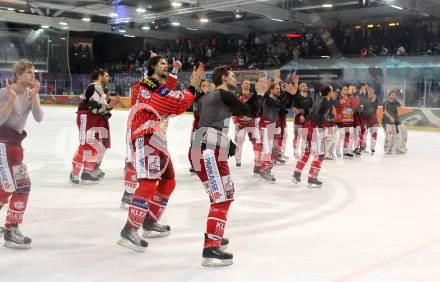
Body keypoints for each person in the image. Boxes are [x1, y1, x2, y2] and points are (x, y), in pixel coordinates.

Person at [117, 56, 203, 252]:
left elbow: (167, 91)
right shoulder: (147, 83)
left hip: (157, 137)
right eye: (162, 63)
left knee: (169, 181)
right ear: (152, 67)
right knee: (147, 184)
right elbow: (172, 101)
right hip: (145, 135)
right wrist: (191, 88)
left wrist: (174, 73)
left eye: (166, 63)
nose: (165, 66)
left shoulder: (153, 85)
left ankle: (149, 220)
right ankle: (129, 230)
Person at [189, 66, 265, 266]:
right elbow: (250, 112)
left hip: (206, 149)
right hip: (210, 151)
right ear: (224, 77)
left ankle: (214, 235)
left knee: (223, 195)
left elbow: (207, 123)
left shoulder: (210, 96)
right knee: (221, 198)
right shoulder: (224, 94)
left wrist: (226, 141)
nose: (235, 79)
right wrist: (261, 94)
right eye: (232, 76)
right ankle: (211, 249)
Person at [0, 60, 43, 248]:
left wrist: (34, 97)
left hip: (15, 144)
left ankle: (11, 228)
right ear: (18, 75)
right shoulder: (4, 92)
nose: (33, 75)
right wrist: (11, 99)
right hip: (4, 144)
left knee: (5, 188)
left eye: (33, 72)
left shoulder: (30, 93)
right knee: (22, 186)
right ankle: (11, 229)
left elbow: (39, 118)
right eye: (28, 72)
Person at [69, 69, 114, 185]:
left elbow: (99, 109)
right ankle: (75, 173)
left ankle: (86, 172)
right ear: (100, 76)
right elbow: (94, 108)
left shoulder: (99, 89)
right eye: (106, 76)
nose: (108, 78)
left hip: (91, 118)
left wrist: (106, 107)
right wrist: (106, 108)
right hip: (86, 117)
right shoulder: (96, 87)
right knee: (86, 145)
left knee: (92, 146)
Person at [292, 85, 335, 188]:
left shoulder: (317, 99)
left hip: (308, 127)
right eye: (332, 91)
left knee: (306, 152)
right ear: (329, 92)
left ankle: (296, 174)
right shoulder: (326, 102)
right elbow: (320, 117)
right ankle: (312, 179)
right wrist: (321, 131)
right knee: (319, 155)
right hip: (316, 129)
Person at [258, 81, 297, 182]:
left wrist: (291, 95)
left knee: (273, 151)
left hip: (274, 127)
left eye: (279, 88)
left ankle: (267, 169)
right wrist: (289, 93)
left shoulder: (276, 99)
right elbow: (281, 105)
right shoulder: (268, 100)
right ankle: (263, 170)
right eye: (276, 88)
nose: (279, 90)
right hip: (266, 127)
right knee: (267, 150)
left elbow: (286, 105)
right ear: (271, 90)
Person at [232, 80, 261, 169]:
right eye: (245, 83)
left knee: (255, 141)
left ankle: (257, 158)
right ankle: (238, 160)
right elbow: (234, 111)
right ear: (241, 85)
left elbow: (257, 110)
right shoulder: (237, 97)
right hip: (240, 124)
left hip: (251, 124)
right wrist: (236, 122)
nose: (247, 84)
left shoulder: (253, 97)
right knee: (239, 142)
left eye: (249, 83)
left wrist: (257, 122)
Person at [189, 79, 210, 174]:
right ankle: (194, 164)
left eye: (206, 85)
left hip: (209, 126)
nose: (205, 87)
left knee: (206, 146)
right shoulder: (197, 97)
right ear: (200, 87)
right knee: (195, 145)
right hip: (198, 125)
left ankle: (205, 164)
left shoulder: (211, 97)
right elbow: (196, 110)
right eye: (203, 86)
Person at [292, 83, 313, 159]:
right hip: (298, 120)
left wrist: (305, 112)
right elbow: (294, 109)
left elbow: (311, 109)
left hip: (307, 120)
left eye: (306, 86)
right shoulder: (297, 98)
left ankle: (303, 152)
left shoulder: (309, 98)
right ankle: (296, 151)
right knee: (297, 137)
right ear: (300, 88)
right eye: (303, 86)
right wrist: (300, 114)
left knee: (305, 137)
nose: (305, 87)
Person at [335, 85, 356, 158]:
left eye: (346, 89)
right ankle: (337, 151)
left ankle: (345, 151)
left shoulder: (349, 98)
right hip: (340, 121)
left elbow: (354, 106)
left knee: (347, 135)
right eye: (344, 89)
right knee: (339, 136)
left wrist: (352, 96)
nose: (346, 90)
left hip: (349, 120)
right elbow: (336, 107)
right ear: (341, 91)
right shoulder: (338, 98)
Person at [364, 87, 379, 153]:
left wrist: (373, 100)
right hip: (365, 118)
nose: (370, 92)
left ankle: (373, 147)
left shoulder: (377, 99)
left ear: (374, 92)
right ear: (367, 91)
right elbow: (366, 106)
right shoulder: (365, 98)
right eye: (369, 91)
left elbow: (375, 108)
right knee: (364, 133)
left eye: (372, 91)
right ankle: (363, 147)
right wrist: (372, 100)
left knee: (374, 133)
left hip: (373, 118)